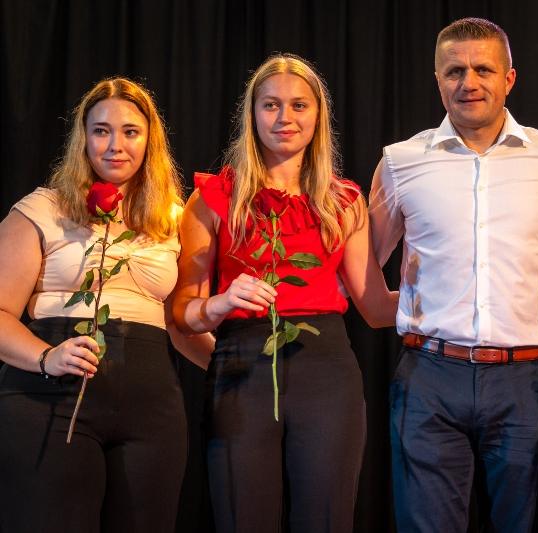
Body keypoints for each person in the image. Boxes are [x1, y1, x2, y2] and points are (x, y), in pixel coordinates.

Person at [369, 17, 538, 533]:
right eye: (455, 71)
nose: (469, 82)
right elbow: (362, 265)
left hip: (525, 381)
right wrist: (409, 306)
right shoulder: (401, 162)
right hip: (428, 376)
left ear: (509, 78)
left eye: (483, 70)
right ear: (437, 79)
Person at [172, 53, 397, 533]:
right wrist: (220, 304)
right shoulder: (213, 198)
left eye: (298, 105)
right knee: (243, 518)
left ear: (317, 116)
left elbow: (376, 308)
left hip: (327, 371)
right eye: (271, 105)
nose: (284, 117)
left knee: (327, 519)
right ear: (252, 114)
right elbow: (182, 315)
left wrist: (449, 291)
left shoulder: (343, 201)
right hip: (241, 366)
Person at [0, 78, 213, 532]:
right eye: (101, 131)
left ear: (150, 141)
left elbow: (179, 323)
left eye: (130, 131)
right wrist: (47, 356)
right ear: (83, 138)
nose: (116, 144)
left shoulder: (172, 218)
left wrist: (238, 370)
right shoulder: (42, 209)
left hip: (151, 403)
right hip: (51, 396)